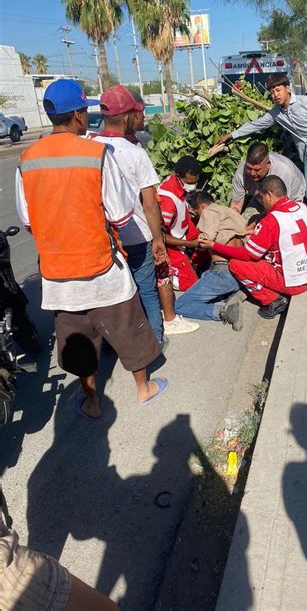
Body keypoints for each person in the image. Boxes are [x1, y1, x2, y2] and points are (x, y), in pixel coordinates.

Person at [16, 79, 167, 419]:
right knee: (128, 328)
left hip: (57, 275)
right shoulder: (96, 154)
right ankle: (144, 389)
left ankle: (92, 401)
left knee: (78, 340)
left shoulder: (26, 159)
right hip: (102, 268)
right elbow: (120, 213)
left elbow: (28, 220)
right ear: (81, 115)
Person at [215, 73, 307, 247]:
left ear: (287, 88)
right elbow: (256, 124)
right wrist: (231, 135)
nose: (275, 95)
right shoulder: (277, 113)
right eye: (272, 92)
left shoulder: (305, 103)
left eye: (278, 90)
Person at [92, 85, 167, 349]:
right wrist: (158, 240)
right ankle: (155, 344)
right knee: (146, 290)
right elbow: (149, 204)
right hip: (136, 235)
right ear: (126, 117)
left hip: (105, 239)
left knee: (113, 298)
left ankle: (116, 348)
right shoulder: (136, 153)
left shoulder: (90, 147)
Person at [199, 176, 307, 319]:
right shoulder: (302, 207)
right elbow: (290, 233)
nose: (262, 202)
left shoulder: (271, 220)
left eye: (262, 198)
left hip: (294, 283)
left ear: (269, 195)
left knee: (236, 265)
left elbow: (248, 255)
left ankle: (273, 300)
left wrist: (214, 245)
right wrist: (257, 233)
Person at [175, 191, 247, 330]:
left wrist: (175, 241)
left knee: (180, 305)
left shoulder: (209, 212)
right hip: (240, 271)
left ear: (201, 206)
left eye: (196, 212)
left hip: (222, 272)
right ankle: (239, 293)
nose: (197, 216)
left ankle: (225, 312)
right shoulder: (231, 213)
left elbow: (205, 240)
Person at [158, 156, 203, 335]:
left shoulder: (176, 187)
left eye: (195, 182)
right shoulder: (167, 201)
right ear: (178, 177)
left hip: (183, 234)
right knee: (192, 287)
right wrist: (188, 244)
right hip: (173, 246)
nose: (192, 186)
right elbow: (161, 236)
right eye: (189, 182)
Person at [231, 142, 306, 219]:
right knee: (244, 223)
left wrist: (257, 224)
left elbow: (280, 207)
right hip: (260, 199)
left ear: (268, 165)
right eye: (249, 168)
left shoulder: (283, 171)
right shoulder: (242, 172)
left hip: (288, 202)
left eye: (257, 170)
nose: (252, 173)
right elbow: (236, 205)